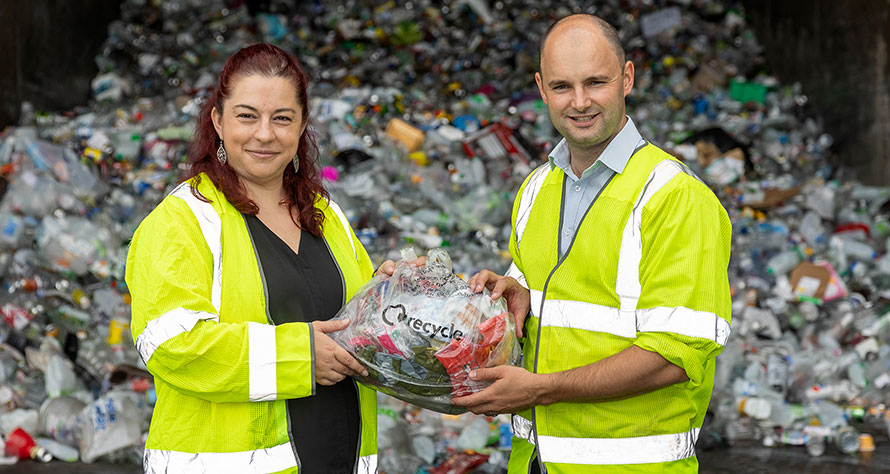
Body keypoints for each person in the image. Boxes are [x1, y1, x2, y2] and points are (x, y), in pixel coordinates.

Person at [457, 14, 732, 473]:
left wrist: (540, 388)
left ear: (626, 78)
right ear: (541, 89)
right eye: (563, 86)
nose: (580, 102)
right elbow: (563, 304)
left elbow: (677, 357)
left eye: (596, 82)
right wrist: (511, 299)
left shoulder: (674, 196)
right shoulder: (536, 190)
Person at [126, 43, 399, 474]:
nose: (265, 134)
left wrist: (396, 295)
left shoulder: (326, 216)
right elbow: (171, 345)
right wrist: (299, 357)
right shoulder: (183, 220)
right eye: (247, 116)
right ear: (218, 120)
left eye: (282, 118)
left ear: (302, 124)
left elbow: (357, 324)